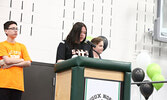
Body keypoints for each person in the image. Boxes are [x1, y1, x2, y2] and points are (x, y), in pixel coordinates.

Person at [0, 21, 31, 100]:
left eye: (17, 29)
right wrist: (21, 59)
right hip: (4, 84)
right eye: (13, 28)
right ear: (6, 31)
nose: (16, 30)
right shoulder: (2, 45)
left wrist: (12, 64)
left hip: (17, 85)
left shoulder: (22, 46)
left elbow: (28, 63)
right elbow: (7, 60)